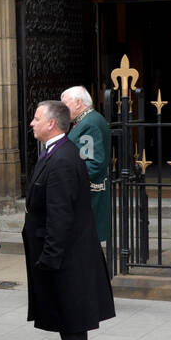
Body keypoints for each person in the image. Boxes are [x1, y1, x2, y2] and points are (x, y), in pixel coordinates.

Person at [24, 100, 115, 340]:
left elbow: (60, 214)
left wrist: (51, 255)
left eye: (36, 119)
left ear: (51, 124)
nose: (32, 123)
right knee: (64, 307)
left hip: (67, 252)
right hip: (63, 250)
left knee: (71, 309)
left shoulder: (62, 158)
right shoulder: (56, 152)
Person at [62, 86, 112, 251]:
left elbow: (91, 164)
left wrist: (69, 182)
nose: (62, 110)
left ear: (78, 103)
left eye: (65, 104)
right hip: (87, 195)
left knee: (85, 247)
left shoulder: (88, 124)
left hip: (89, 196)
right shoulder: (86, 120)